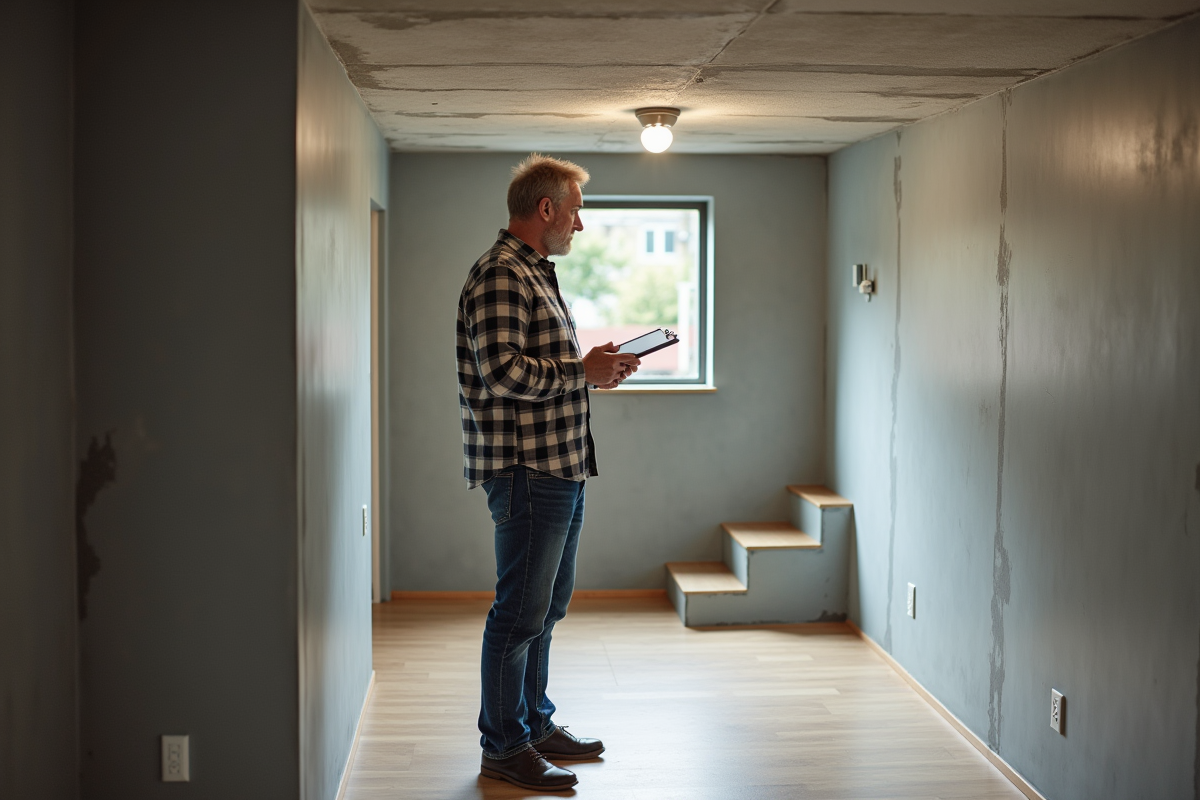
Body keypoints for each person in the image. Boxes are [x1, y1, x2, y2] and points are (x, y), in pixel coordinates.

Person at [456, 154, 641, 791]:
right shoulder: (501, 274)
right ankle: (504, 746)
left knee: (545, 609)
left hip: (558, 466)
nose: (579, 225)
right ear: (546, 209)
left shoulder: (532, 272)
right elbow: (501, 374)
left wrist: (594, 371)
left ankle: (532, 725)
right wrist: (579, 372)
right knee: (519, 614)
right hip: (528, 469)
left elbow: (541, 369)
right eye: (575, 212)